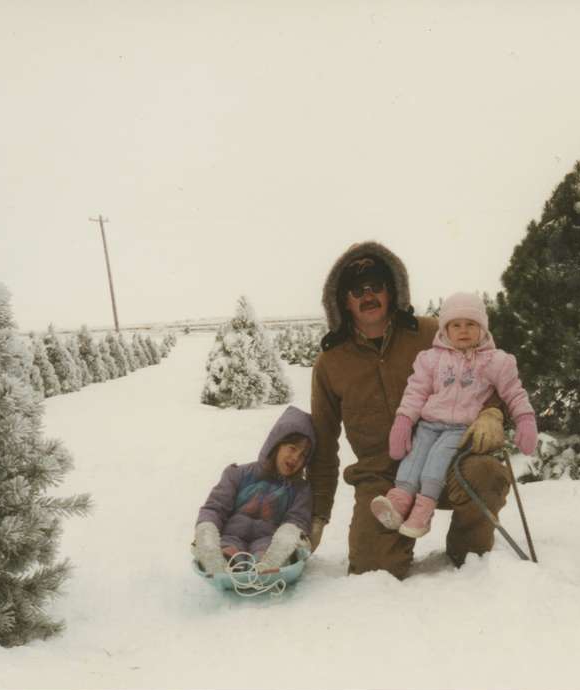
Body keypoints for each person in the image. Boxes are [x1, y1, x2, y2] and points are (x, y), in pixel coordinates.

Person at [307, 241, 526, 579]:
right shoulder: (331, 362)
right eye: (355, 289)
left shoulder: (432, 333)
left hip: (448, 454)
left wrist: (492, 413)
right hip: (380, 477)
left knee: (487, 473)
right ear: (342, 300)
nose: (368, 295)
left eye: (376, 285)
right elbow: (323, 441)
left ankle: (469, 554)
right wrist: (317, 514)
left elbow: (490, 371)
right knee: (373, 571)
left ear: (392, 289)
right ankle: (391, 538)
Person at [373, 291, 538, 538]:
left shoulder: (494, 362)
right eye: (456, 325)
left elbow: (514, 393)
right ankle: (400, 499)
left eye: (471, 324)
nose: (463, 330)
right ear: (445, 330)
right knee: (414, 457)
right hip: (429, 424)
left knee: (436, 462)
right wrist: (404, 421)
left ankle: (423, 510)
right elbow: (416, 392)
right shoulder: (431, 359)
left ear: (482, 328)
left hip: (461, 429)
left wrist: (525, 419)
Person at [193, 405, 316, 576]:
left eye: (303, 455)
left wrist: (281, 546)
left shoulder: (300, 490)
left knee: (267, 555)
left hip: (268, 541)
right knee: (227, 550)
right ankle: (224, 562)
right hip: (231, 536)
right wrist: (207, 533)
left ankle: (265, 566)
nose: (295, 458)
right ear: (276, 445)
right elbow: (215, 508)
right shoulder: (238, 474)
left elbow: (297, 521)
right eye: (292, 449)